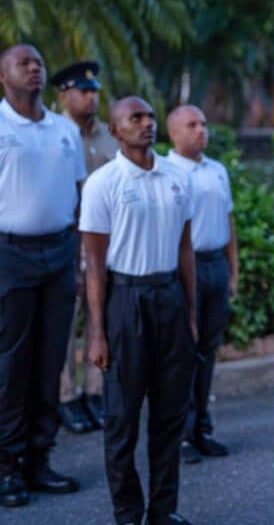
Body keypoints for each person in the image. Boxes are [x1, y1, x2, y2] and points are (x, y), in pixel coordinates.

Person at [81, 97, 196, 525]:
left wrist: (190, 315)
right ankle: (128, 512)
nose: (146, 124)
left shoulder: (176, 178)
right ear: (115, 130)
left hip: (168, 296)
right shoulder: (103, 183)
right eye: (136, 118)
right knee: (122, 418)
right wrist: (97, 332)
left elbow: (186, 250)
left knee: (169, 416)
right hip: (125, 300)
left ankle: (164, 510)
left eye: (150, 117)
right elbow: (94, 265)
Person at [0, 45, 85, 508]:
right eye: (23, 63)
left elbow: (77, 195)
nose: (34, 68)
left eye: (39, 62)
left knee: (51, 360)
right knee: (12, 364)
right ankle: (7, 466)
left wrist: (77, 260)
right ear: (2, 75)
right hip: (9, 253)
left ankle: (39, 458)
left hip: (59, 252)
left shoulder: (63, 131)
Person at [166, 105, 237, 463]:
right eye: (192, 125)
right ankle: (178, 434)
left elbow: (229, 221)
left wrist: (233, 270)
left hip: (214, 267)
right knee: (182, 354)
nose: (201, 130)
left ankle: (201, 429)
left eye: (204, 124)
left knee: (207, 352)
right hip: (184, 271)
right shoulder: (166, 172)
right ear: (173, 133)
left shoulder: (216, 170)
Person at [52, 60, 118, 434]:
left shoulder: (110, 137)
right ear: (64, 94)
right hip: (68, 243)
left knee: (100, 318)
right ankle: (66, 396)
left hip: (107, 245)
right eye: (83, 91)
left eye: (95, 91)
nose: (91, 98)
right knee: (65, 323)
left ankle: (95, 392)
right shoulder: (56, 134)